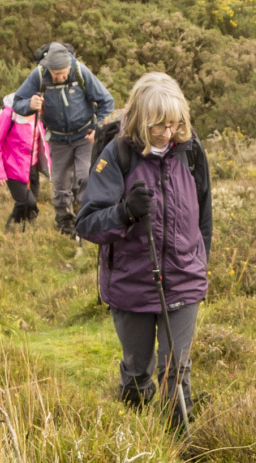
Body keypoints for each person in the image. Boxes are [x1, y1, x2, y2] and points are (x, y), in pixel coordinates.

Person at [75, 72, 212, 429]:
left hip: (183, 282)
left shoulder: (191, 151)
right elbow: (87, 224)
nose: (167, 133)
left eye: (174, 123)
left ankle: (179, 441)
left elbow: (204, 215)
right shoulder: (117, 154)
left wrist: (199, 264)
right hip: (131, 284)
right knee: (137, 372)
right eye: (157, 126)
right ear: (139, 120)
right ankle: (134, 435)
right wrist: (124, 211)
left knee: (176, 370)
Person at [13, 42, 114, 236]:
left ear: (69, 66)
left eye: (63, 72)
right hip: (58, 140)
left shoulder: (80, 72)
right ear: (48, 69)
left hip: (85, 136)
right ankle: (65, 223)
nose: (60, 77)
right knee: (60, 185)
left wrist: (98, 129)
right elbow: (18, 102)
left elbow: (106, 102)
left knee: (85, 177)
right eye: (56, 74)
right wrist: (29, 104)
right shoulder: (38, 75)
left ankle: (88, 218)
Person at [0, 93, 51, 228]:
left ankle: (20, 231)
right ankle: (14, 228)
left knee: (30, 202)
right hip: (12, 166)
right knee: (28, 202)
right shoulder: (8, 114)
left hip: (33, 165)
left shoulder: (39, 113)